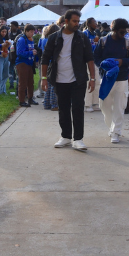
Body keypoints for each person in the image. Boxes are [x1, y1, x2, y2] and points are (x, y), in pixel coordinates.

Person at [41, 10, 96, 151]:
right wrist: (44, 78)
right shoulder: (54, 38)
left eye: (78, 21)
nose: (77, 24)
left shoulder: (82, 38)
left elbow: (90, 58)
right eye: (74, 21)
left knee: (78, 108)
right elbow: (45, 59)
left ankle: (78, 139)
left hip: (78, 80)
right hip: (59, 80)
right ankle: (65, 136)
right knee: (63, 109)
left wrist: (93, 79)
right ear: (66, 21)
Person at [94, 18, 129, 143]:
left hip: (122, 78)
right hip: (107, 78)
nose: (124, 34)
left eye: (125, 32)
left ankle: (116, 131)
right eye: (121, 32)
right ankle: (111, 127)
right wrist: (103, 65)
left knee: (119, 106)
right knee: (104, 105)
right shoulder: (103, 41)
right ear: (114, 30)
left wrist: (121, 61)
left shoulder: (128, 44)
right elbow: (96, 57)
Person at [38, 24, 61, 110]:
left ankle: (47, 103)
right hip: (52, 63)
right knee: (53, 84)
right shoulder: (53, 40)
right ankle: (54, 104)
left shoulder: (43, 40)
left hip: (46, 63)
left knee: (48, 84)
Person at [15, 24, 38, 107]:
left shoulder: (31, 39)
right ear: (26, 31)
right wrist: (30, 53)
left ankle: (30, 98)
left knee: (30, 82)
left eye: (33, 32)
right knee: (23, 82)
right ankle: (21, 100)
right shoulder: (22, 40)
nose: (33, 33)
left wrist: (35, 57)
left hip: (30, 63)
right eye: (31, 32)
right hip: (22, 63)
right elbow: (19, 53)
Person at [83, 18, 101, 112]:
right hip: (87, 61)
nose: (96, 24)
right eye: (94, 22)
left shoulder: (95, 34)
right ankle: (87, 104)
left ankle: (95, 103)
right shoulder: (85, 33)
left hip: (95, 60)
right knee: (89, 82)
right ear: (89, 23)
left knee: (97, 81)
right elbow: (84, 47)